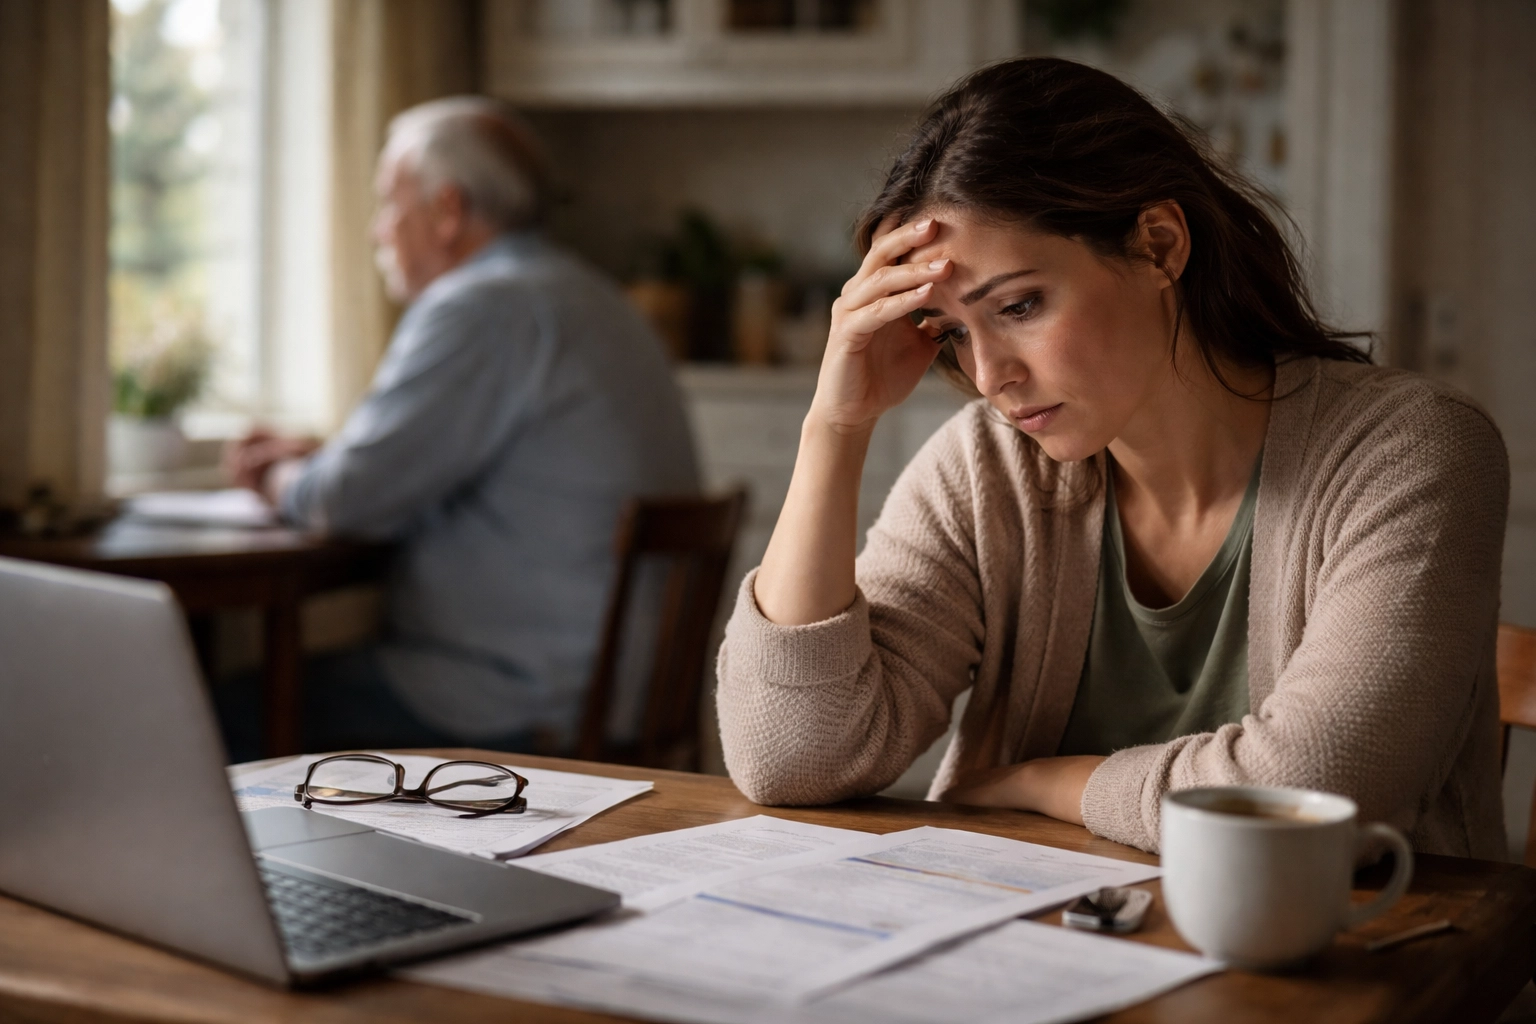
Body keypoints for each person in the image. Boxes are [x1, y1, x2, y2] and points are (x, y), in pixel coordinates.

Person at [715, 57, 1509, 858]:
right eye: (953, 332)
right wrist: (836, 426)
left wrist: (1045, 784)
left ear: (1159, 245)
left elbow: (1313, 789)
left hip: (1359, 936)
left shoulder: (1410, 451)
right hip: (1031, 929)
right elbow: (791, 758)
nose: (989, 377)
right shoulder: (987, 469)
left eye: (1019, 305)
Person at [223, 96, 699, 761]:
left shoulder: (483, 306)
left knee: (213, 712)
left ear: (447, 209)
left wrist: (274, 473)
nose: (377, 231)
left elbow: (342, 499)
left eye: (390, 202)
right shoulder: (592, 295)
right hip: (622, 698)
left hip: (520, 698)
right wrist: (325, 455)